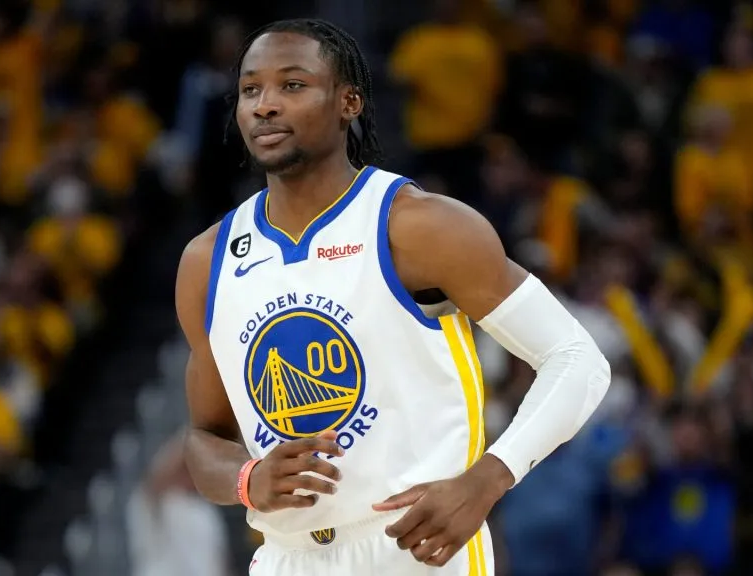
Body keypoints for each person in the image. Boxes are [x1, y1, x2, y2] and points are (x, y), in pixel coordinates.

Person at [175, 18, 611, 576]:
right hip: (286, 558)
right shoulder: (206, 262)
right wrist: (248, 479)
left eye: (292, 85)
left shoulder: (419, 226)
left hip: (414, 548)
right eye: (250, 89)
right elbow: (203, 438)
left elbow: (577, 359)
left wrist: (487, 479)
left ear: (348, 101)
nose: (264, 105)